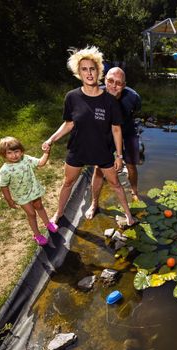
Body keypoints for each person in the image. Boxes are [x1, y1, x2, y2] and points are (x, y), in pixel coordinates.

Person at [41, 46, 135, 227]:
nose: (89, 73)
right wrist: (51, 139)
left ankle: (129, 215)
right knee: (67, 182)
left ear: (98, 71)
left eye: (92, 68)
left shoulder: (109, 101)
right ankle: (58, 214)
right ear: (78, 72)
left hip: (102, 150)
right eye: (84, 69)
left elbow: (116, 129)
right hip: (78, 149)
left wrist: (119, 156)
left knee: (115, 183)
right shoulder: (72, 97)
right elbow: (69, 123)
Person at [86, 67, 142, 219]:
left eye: (118, 83)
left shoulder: (133, 97)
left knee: (131, 165)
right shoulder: (95, 95)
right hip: (106, 134)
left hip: (128, 132)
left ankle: (134, 192)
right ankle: (94, 203)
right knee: (98, 168)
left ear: (124, 85)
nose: (113, 86)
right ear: (105, 80)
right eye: (110, 81)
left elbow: (135, 112)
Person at [0, 136, 58, 246]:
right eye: (9, 153)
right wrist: (9, 200)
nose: (14, 155)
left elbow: (40, 163)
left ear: (21, 151)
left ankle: (48, 223)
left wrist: (46, 153)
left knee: (39, 206)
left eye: (16, 151)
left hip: (33, 190)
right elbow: (4, 186)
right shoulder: (5, 170)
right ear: (3, 154)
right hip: (21, 196)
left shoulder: (25, 159)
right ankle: (37, 235)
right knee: (31, 214)